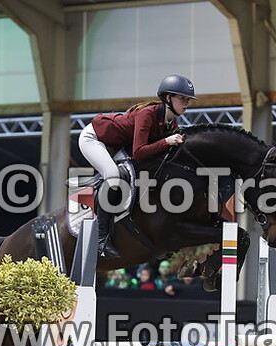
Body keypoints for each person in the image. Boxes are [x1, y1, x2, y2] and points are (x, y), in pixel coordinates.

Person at [78, 74, 197, 258]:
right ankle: (101, 239)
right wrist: (166, 141)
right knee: (112, 175)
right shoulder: (147, 114)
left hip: (118, 146)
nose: (186, 103)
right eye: (182, 98)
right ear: (167, 98)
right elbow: (139, 152)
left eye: (188, 99)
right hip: (95, 138)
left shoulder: (172, 122)